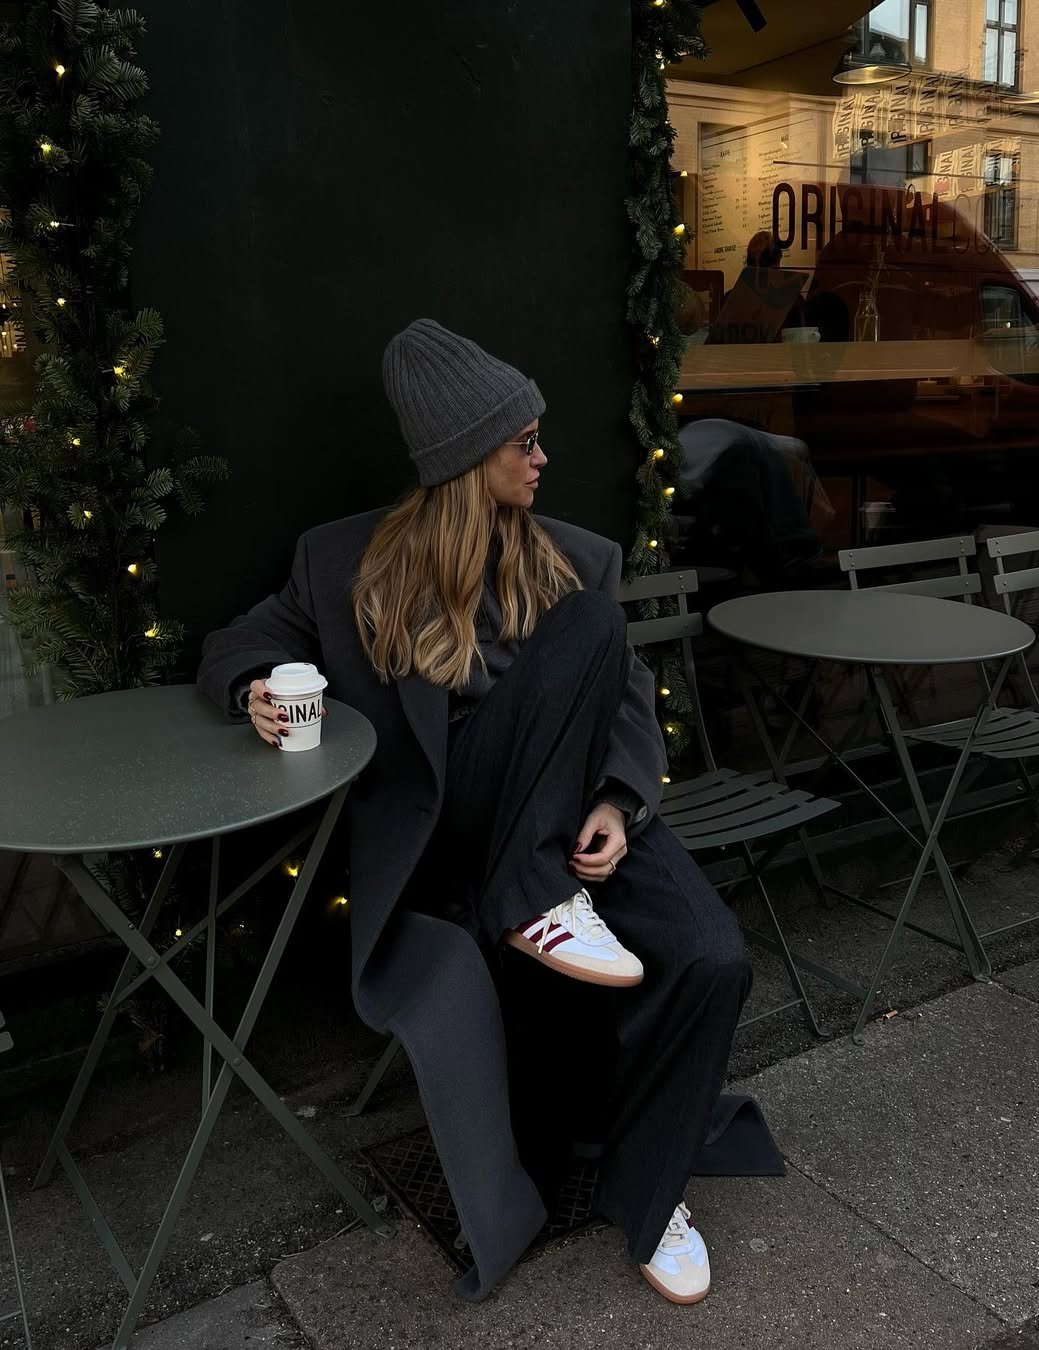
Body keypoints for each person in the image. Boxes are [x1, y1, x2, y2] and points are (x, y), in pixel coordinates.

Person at [197, 318, 782, 1305]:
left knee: (713, 953)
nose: (544, 458)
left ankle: (650, 1191)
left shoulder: (577, 558)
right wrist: (253, 688)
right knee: (590, 629)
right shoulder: (341, 564)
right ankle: (529, 900)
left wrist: (618, 802)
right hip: (453, 834)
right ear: (468, 459)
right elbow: (233, 643)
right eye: (525, 443)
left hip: (571, 832)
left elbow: (628, 708)